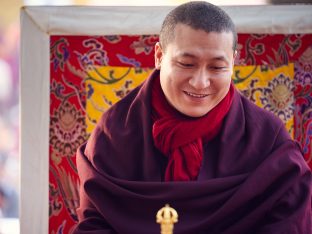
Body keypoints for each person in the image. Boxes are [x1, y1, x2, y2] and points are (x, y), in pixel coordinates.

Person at [73, 2, 312, 233]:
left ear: (234, 61)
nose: (200, 83)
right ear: (159, 56)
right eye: (186, 63)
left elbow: (289, 221)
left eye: (217, 67)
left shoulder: (265, 138)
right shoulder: (116, 132)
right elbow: (95, 224)